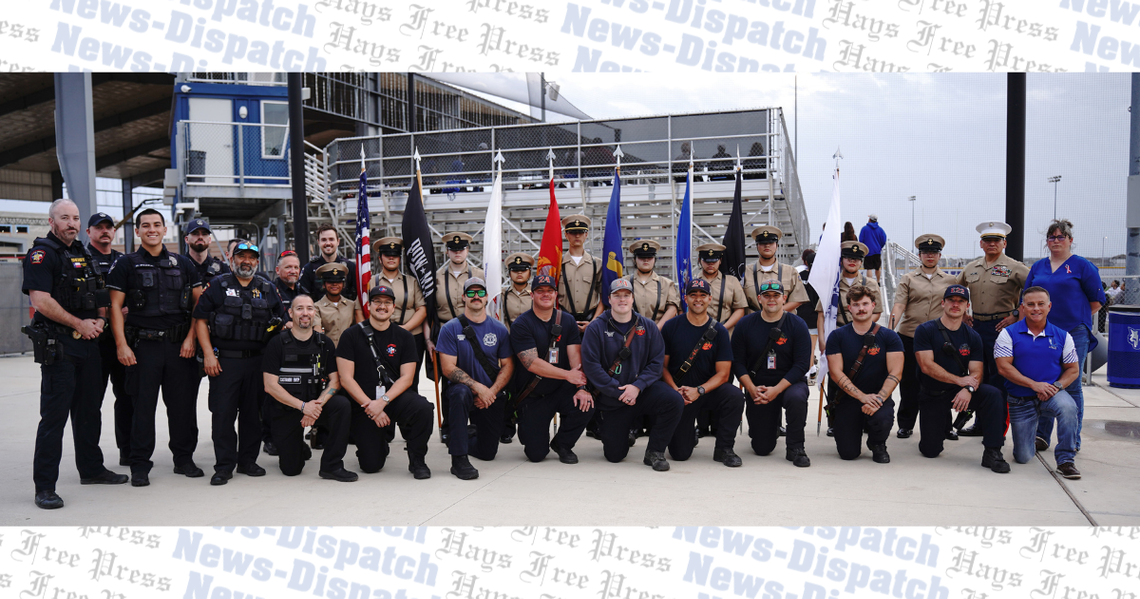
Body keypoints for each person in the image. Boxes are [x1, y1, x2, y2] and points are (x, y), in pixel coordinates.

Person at [22, 199, 127, 509]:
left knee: (89, 411)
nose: (71, 223)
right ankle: (45, 487)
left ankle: (92, 469)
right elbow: (41, 301)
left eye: (75, 218)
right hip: (60, 345)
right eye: (64, 218)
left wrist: (100, 320)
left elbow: (97, 293)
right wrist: (79, 322)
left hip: (89, 344)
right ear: (52, 221)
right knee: (54, 418)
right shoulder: (42, 254)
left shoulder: (80, 252)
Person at [106, 208, 204, 487]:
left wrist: (191, 338)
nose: (152, 229)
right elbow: (114, 306)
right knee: (142, 408)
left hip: (179, 347)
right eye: (145, 225)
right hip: (143, 347)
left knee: (182, 407)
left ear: (165, 230)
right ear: (137, 231)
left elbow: (199, 304)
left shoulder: (184, 264)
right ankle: (139, 464)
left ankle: (183, 459)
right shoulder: (126, 264)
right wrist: (121, 345)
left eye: (157, 224)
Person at [193, 240, 287, 486]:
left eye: (251, 257)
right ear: (231, 259)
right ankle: (224, 465)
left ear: (257, 261)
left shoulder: (267, 288)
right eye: (241, 256)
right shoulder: (217, 285)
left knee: (251, 415)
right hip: (225, 362)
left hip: (257, 363)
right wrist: (208, 355)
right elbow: (201, 320)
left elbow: (283, 323)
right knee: (223, 415)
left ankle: (248, 461)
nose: (246, 261)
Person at [581, 279, 683, 471]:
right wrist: (617, 391)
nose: (622, 299)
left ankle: (655, 451)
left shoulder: (648, 326)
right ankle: (622, 434)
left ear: (633, 298)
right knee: (614, 456)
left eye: (626, 295)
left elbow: (656, 362)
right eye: (617, 295)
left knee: (673, 400)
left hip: (642, 390)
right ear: (609, 299)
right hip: (614, 397)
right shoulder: (595, 328)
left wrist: (637, 386)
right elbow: (592, 366)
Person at [1024, 219, 1105, 453]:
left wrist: (1076, 317)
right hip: (1044, 332)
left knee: (1071, 384)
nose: (1056, 241)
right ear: (1047, 242)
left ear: (1070, 240)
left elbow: (1097, 300)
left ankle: (1072, 439)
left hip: (1073, 332)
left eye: (1061, 237)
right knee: (1045, 380)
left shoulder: (1082, 266)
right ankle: (1042, 435)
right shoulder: (1039, 267)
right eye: (1052, 237)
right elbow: (1027, 299)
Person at [337, 286, 434, 479]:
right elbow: (345, 378)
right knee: (371, 465)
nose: (382, 306)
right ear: (369, 305)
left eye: (387, 302)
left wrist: (382, 402)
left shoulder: (404, 336)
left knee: (423, 408)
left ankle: (417, 459)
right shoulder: (350, 335)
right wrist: (371, 406)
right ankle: (377, 443)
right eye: (378, 302)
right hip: (363, 402)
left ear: (393, 307)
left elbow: (407, 378)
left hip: (393, 397)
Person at [913, 285, 1010, 473]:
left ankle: (993, 451)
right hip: (933, 392)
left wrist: (968, 390)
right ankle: (942, 425)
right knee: (930, 450)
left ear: (967, 306)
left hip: (960, 390)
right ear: (943, 303)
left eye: (961, 301)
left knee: (993, 395)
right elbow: (926, 366)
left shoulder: (973, 336)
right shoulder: (925, 330)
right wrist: (960, 381)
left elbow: (977, 372)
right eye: (951, 300)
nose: (955, 305)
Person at [262, 294, 356, 481]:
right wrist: (303, 407)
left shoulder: (325, 343)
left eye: (309, 308)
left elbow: (335, 381)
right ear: (290, 313)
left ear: (315, 313)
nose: (305, 313)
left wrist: (315, 407)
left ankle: (332, 466)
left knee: (342, 405)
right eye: (299, 308)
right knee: (291, 469)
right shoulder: (277, 343)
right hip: (287, 407)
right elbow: (270, 386)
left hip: (316, 404)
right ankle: (298, 446)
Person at [995, 286, 1082, 479]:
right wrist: (1034, 385)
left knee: (1068, 408)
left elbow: (1073, 369)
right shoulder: (1008, 334)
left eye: (1041, 304)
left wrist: (1056, 387)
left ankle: (1066, 460)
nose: (1036, 308)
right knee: (1023, 457)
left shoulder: (1063, 336)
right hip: (1020, 399)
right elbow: (1003, 368)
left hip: (1051, 393)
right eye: (1031, 304)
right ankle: (1033, 435)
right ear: (1023, 307)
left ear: (1049, 306)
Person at [509, 274, 595, 463]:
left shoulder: (568, 321)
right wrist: (568, 375)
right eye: (540, 291)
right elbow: (531, 363)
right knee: (536, 454)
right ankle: (529, 430)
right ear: (532, 295)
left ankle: (562, 444)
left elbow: (575, 358)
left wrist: (581, 388)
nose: (545, 295)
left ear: (556, 294)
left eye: (550, 291)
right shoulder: (521, 324)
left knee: (586, 403)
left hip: (561, 389)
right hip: (534, 395)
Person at [955, 221, 1029, 436]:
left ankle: (997, 427)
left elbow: (1035, 290)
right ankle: (980, 423)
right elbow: (956, 290)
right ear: (981, 244)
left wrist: (1016, 314)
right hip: (976, 327)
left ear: (1004, 243)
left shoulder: (1015, 267)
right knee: (978, 376)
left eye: (996, 240)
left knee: (999, 377)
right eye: (987, 240)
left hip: (1001, 328)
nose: (992, 244)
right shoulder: (971, 268)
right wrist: (963, 313)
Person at [437, 278, 514, 480]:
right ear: (464, 298)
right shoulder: (450, 329)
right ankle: (458, 459)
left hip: (489, 395)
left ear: (487, 297)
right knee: (460, 393)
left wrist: (491, 392)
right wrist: (478, 387)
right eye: (471, 293)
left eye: (480, 293)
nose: (476, 297)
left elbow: (507, 366)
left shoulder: (499, 329)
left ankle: (463, 434)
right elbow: (447, 368)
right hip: (462, 392)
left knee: (488, 453)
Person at [662, 279, 743, 466]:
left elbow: (724, 374)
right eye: (693, 295)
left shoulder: (720, 331)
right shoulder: (671, 327)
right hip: (680, 393)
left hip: (706, 390)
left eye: (702, 295)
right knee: (680, 454)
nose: (698, 299)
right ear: (685, 298)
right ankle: (688, 436)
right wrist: (675, 391)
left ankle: (724, 449)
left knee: (734, 396)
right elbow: (662, 367)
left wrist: (698, 390)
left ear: (710, 299)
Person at [733, 279, 813, 467]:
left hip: (789, 383)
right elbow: (737, 362)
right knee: (762, 448)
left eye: (776, 296)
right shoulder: (745, 324)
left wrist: (777, 390)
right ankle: (771, 423)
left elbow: (802, 364)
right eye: (766, 296)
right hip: (758, 386)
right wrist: (751, 389)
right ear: (759, 298)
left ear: (784, 298)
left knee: (797, 398)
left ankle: (796, 446)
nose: (771, 300)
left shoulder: (797, 324)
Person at [824, 285, 903, 463]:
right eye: (856, 304)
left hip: (878, 398)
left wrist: (879, 399)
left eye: (865, 304)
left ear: (873, 305)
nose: (861, 308)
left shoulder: (889, 337)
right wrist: (862, 397)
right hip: (848, 399)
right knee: (848, 454)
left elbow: (896, 373)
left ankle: (877, 443)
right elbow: (836, 373)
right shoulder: (837, 336)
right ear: (849, 308)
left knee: (882, 419)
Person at [888, 234, 955, 440]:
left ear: (939, 255)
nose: (930, 256)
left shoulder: (950, 280)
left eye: (934, 252)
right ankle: (906, 424)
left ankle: (946, 425)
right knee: (909, 382)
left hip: (938, 337)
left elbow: (955, 305)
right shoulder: (908, 279)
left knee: (941, 382)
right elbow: (899, 305)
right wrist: (890, 329)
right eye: (926, 252)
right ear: (919, 255)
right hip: (910, 336)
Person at [86, 211, 130, 466]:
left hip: (122, 341)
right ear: (89, 232)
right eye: (98, 227)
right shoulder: (80, 259)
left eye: (108, 227)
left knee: (126, 399)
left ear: (114, 232)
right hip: (94, 342)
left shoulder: (123, 261)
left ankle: (127, 452)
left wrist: (128, 309)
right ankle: (92, 461)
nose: (104, 231)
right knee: (91, 403)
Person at [432, 231, 484, 443]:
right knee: (448, 381)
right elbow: (432, 308)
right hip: (447, 331)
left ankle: (476, 422)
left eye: (461, 249)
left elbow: (484, 304)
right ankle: (450, 426)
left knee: (475, 375)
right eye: (453, 250)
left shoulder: (478, 274)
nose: (457, 253)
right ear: (447, 252)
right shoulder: (437, 277)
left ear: (467, 250)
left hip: (473, 332)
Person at [373, 237, 428, 382]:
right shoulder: (371, 282)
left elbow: (422, 309)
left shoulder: (412, 281)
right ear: (380, 258)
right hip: (380, 336)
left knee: (411, 380)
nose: (391, 258)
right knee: (382, 379)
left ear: (399, 258)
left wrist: (404, 329)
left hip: (411, 335)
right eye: (387, 255)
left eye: (395, 255)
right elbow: (362, 309)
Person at [742, 226, 810, 314]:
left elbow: (798, 299)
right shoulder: (746, 272)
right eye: (762, 243)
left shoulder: (790, 271)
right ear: (757, 246)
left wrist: (773, 314)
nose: (767, 245)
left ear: (777, 246)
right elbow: (740, 302)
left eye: (771, 242)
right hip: (754, 323)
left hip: (783, 322)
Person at [559, 215, 604, 333]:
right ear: (566, 234)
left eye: (581, 232)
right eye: (573, 232)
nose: (577, 236)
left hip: (591, 321)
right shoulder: (558, 264)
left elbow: (604, 297)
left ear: (586, 234)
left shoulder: (597, 264)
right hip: (563, 322)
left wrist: (594, 322)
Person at [625, 240, 681, 330]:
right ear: (634, 259)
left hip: (659, 334)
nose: (646, 260)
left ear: (655, 259)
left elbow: (672, 309)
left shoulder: (666, 284)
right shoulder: (624, 282)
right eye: (641, 257)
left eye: (649, 257)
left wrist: (656, 329)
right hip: (630, 333)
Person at [693, 243, 748, 332]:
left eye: (714, 261)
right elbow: (682, 309)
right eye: (707, 261)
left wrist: (722, 329)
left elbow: (740, 309)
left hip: (726, 332)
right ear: (699, 260)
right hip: (697, 333)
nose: (710, 264)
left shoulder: (732, 281)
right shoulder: (692, 282)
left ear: (720, 260)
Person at [299, 224, 357, 302]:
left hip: (346, 312)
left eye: (331, 239)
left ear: (338, 241)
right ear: (318, 242)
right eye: (324, 240)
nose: (328, 243)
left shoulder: (350, 267)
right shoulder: (309, 269)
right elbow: (303, 297)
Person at [312, 263, 364, 346]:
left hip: (349, 352)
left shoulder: (351, 305)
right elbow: (317, 330)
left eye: (338, 281)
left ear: (343, 285)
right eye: (330, 281)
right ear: (323, 284)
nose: (334, 284)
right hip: (327, 353)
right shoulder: (316, 307)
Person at [795, 249, 821, 381]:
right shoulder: (820, 277)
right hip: (813, 317)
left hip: (799, 314)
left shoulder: (798, 274)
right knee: (811, 346)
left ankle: (807, 370)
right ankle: (808, 370)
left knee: (800, 345)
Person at [183, 218, 230, 286]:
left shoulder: (222, 268)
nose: (200, 237)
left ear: (210, 240)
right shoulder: (180, 266)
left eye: (204, 234)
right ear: (187, 239)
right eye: (195, 233)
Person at [501, 252, 535, 332]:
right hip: (509, 339)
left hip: (531, 339)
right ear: (509, 273)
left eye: (523, 270)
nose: (519, 273)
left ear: (529, 273)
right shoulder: (502, 294)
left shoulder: (536, 294)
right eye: (515, 270)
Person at [859, 215, 887, 283]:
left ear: (869, 220)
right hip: (877, 251)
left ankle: (870, 282)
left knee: (869, 268)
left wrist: (863, 249)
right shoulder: (880, 230)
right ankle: (878, 282)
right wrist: (880, 247)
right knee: (877, 268)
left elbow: (861, 240)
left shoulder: (864, 229)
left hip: (868, 251)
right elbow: (884, 240)